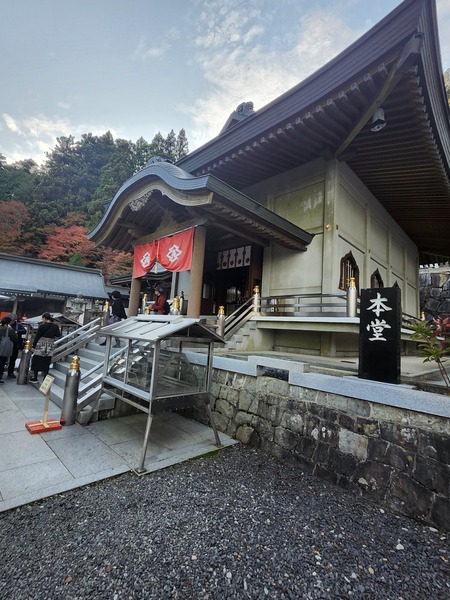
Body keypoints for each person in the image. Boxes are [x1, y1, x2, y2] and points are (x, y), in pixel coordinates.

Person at [30, 313, 61, 383]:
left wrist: (33, 346)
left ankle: (35, 377)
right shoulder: (55, 326)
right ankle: (45, 377)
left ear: (44, 318)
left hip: (41, 344)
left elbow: (37, 336)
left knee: (37, 359)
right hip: (50, 345)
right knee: (47, 360)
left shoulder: (42, 326)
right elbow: (58, 335)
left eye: (42, 318)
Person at [7, 313, 27, 379]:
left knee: (13, 359)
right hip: (6, 344)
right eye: (10, 320)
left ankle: (10, 372)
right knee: (3, 359)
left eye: (13, 320)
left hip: (15, 344)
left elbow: (24, 331)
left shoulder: (18, 325)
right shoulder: (6, 324)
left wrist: (17, 331)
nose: (11, 322)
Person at [0, 317, 18, 383]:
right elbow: (15, 338)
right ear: (9, 322)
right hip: (3, 348)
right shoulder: (9, 329)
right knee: (2, 361)